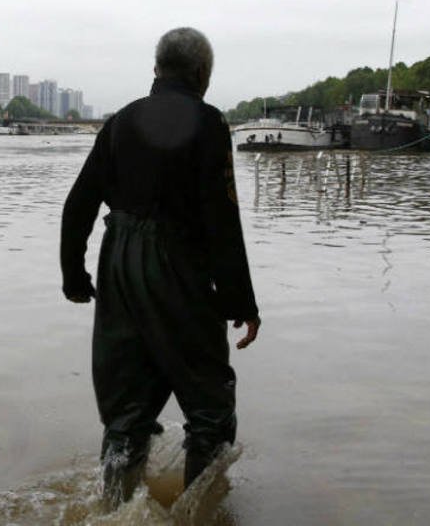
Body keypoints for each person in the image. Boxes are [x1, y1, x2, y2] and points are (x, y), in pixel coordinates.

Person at [60, 27, 260, 509]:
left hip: (118, 264)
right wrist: (240, 301)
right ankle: (199, 515)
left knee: (126, 413)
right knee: (210, 408)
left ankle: (111, 511)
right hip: (176, 267)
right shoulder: (209, 123)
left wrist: (74, 275)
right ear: (202, 74)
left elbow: (79, 204)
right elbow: (221, 218)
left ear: (156, 70)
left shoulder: (120, 122)